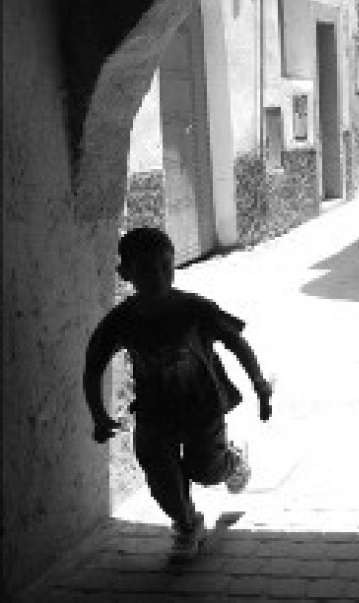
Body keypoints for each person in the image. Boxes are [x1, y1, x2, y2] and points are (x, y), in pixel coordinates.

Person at [83, 227, 273, 561]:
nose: (158, 277)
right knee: (161, 476)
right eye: (146, 269)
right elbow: (94, 366)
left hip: (202, 407)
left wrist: (260, 385)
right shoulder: (121, 321)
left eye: (165, 266)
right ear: (125, 273)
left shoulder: (194, 309)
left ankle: (231, 462)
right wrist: (98, 415)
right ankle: (187, 525)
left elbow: (236, 343)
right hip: (154, 410)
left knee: (205, 471)